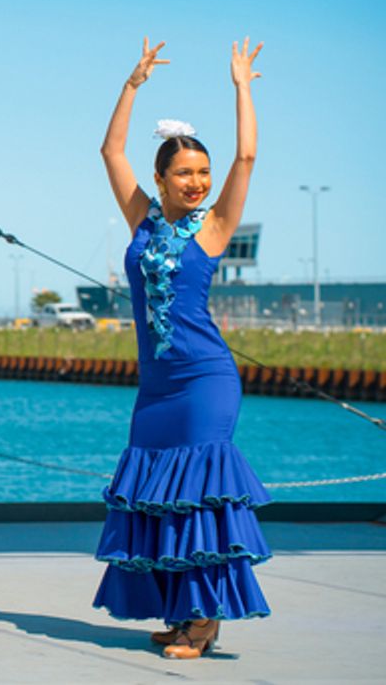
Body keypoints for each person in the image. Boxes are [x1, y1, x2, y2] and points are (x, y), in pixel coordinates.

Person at [92, 37, 271, 659]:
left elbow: (247, 155)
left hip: (205, 381)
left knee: (198, 496)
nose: (197, 183)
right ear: (161, 179)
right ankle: (178, 609)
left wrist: (241, 87)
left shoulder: (215, 227)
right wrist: (132, 84)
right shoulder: (142, 220)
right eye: (184, 174)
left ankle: (203, 618)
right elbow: (111, 151)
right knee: (158, 498)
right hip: (156, 389)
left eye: (203, 173)